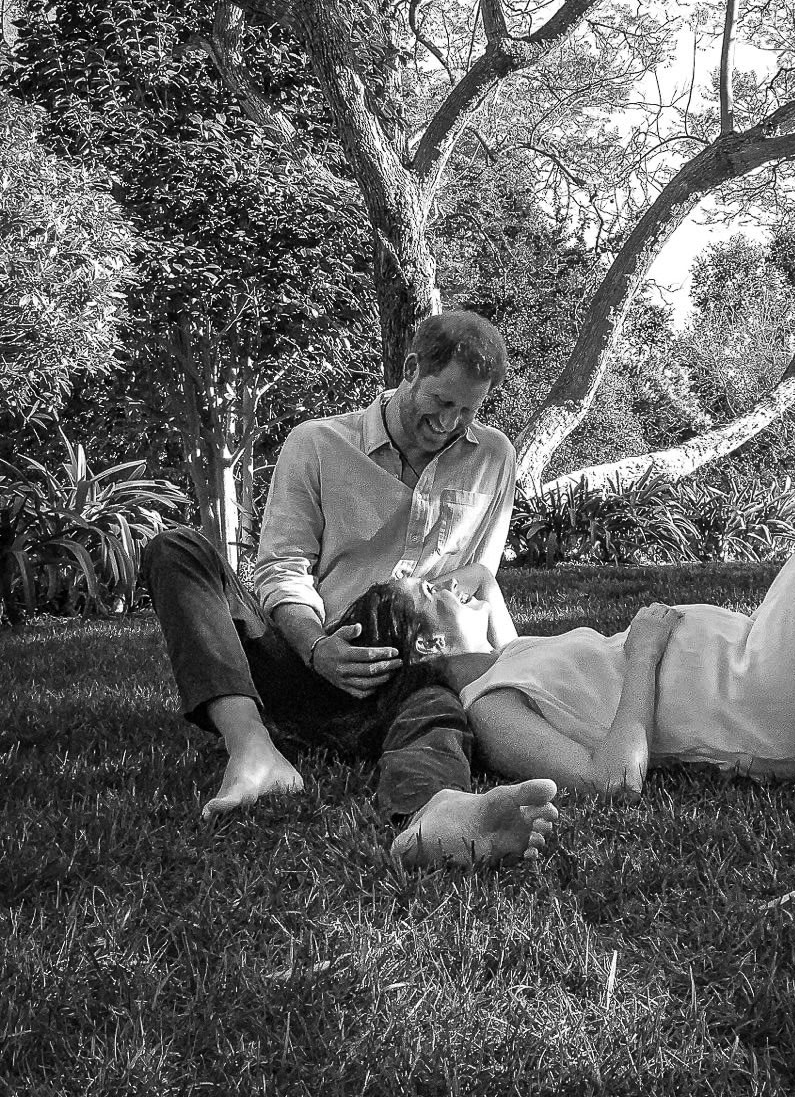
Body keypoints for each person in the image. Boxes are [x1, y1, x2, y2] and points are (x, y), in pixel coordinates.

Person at [366, 471, 795, 813]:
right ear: (426, 648)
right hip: (760, 696)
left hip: (756, 655)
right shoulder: (492, 707)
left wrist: (451, 593)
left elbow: (484, 585)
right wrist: (642, 652)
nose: (454, 588)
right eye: (434, 595)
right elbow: (609, 782)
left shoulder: (513, 654)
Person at [141, 310, 559, 868]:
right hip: (307, 661)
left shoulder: (493, 456)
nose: (452, 422)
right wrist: (317, 648)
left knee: (434, 712)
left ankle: (436, 812)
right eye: (441, 401)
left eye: (469, 410)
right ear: (411, 369)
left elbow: (475, 581)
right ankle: (254, 752)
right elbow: (281, 568)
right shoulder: (316, 444)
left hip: (410, 675)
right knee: (177, 550)